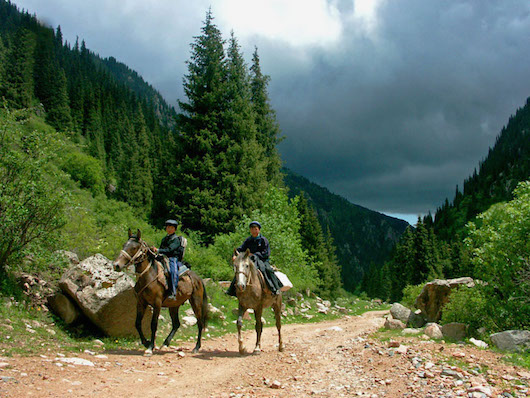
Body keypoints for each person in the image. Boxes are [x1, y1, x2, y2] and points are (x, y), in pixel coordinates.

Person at [227, 221, 283, 296]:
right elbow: (240, 248)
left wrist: (254, 254)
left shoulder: (263, 240)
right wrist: (234, 255)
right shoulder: (248, 240)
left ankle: (274, 288)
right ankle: (232, 290)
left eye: (255, 229)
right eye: (252, 229)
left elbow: (266, 253)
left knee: (267, 269)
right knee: (240, 270)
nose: (254, 231)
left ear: (259, 230)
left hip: (262, 260)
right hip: (250, 260)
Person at [153, 219, 183, 300]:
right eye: (168, 227)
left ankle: (173, 292)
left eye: (171, 228)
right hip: (163, 256)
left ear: (174, 229)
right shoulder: (164, 239)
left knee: (172, 271)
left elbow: (170, 249)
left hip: (172, 258)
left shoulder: (176, 239)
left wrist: (158, 250)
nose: (169, 229)